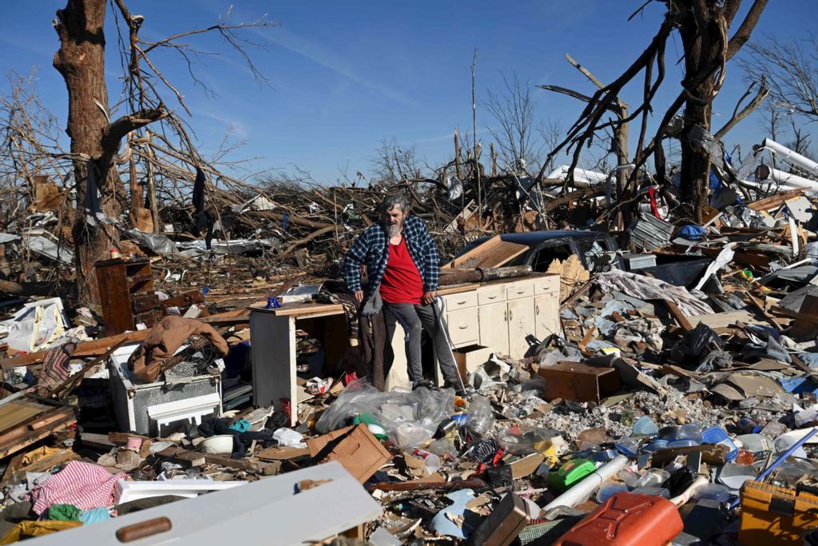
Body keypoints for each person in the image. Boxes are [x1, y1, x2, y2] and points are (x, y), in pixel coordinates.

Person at [343, 194, 464, 394]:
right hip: (394, 293)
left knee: (439, 329)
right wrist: (355, 286)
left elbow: (431, 254)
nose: (391, 219)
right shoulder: (374, 233)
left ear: (405, 214)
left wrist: (431, 287)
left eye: (395, 215)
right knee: (414, 325)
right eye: (387, 215)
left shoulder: (416, 227)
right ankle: (417, 379)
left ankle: (451, 379)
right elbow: (352, 259)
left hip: (420, 291)